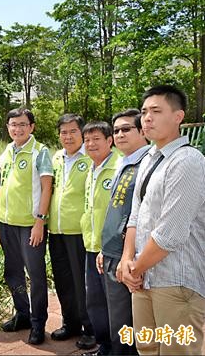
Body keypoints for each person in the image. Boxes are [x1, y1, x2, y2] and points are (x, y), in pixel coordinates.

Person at [121, 85, 205, 355]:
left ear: (178, 116)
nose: (147, 118)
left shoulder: (188, 161)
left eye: (156, 111)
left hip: (176, 280)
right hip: (143, 278)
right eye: (145, 111)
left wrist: (134, 268)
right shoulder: (148, 159)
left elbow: (171, 232)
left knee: (176, 352)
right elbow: (135, 214)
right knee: (146, 348)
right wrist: (126, 260)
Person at [0, 108, 53, 345]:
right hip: (7, 223)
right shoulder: (7, 151)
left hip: (31, 225)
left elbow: (47, 187)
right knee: (12, 272)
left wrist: (39, 221)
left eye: (22, 124)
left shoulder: (40, 152)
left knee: (36, 275)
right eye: (13, 125)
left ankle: (38, 323)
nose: (17, 129)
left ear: (32, 127)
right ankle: (22, 314)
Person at [97, 109, 149, 355]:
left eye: (126, 129)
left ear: (142, 131)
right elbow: (116, 211)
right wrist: (104, 248)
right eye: (116, 130)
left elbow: (139, 217)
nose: (119, 134)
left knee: (126, 325)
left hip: (128, 258)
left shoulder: (146, 164)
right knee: (117, 321)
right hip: (112, 252)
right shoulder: (124, 162)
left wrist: (127, 256)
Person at [47, 114, 96, 350]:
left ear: (82, 133)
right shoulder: (56, 158)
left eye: (73, 131)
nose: (68, 136)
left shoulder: (90, 159)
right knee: (63, 280)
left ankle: (90, 327)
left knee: (81, 282)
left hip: (78, 231)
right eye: (63, 132)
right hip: (55, 230)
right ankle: (71, 323)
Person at [80, 121, 120, 356]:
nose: (91, 144)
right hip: (91, 245)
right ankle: (104, 347)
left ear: (109, 141)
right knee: (94, 302)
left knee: (115, 304)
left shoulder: (117, 168)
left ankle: (120, 350)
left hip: (112, 249)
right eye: (87, 140)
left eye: (96, 138)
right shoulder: (91, 168)